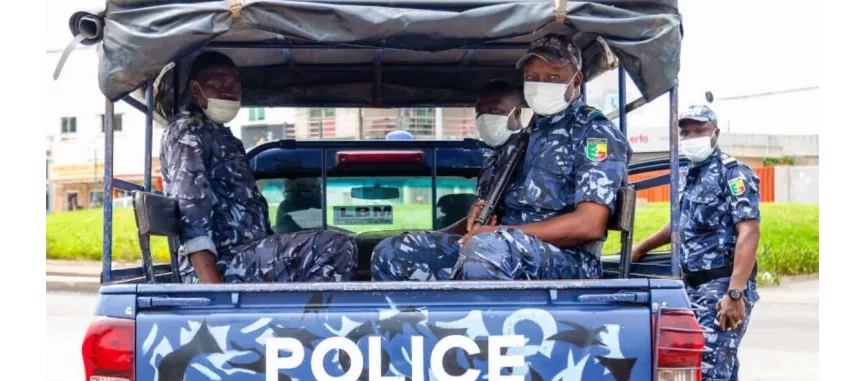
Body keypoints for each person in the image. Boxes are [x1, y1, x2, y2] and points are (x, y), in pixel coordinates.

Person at [372, 35, 631, 281]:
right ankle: (413, 325)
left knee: (486, 249)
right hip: (501, 247)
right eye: (533, 78)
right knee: (394, 250)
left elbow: (589, 225)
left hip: (568, 260)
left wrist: (499, 233)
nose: (542, 85)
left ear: (575, 81)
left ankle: (477, 327)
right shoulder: (521, 141)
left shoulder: (594, 132)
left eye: (553, 77)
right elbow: (489, 218)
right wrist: (480, 218)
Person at [632, 105, 761, 381]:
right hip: (697, 287)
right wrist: (641, 247)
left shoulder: (733, 173)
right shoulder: (690, 175)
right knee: (726, 373)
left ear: (716, 132)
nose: (691, 137)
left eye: (698, 129)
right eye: (685, 131)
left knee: (710, 379)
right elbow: (679, 224)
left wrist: (735, 294)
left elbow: (749, 232)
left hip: (723, 287)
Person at [160, 52, 357, 284]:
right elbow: (191, 213)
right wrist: (214, 292)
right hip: (222, 265)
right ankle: (312, 319)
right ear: (195, 90)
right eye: (217, 84)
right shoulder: (188, 132)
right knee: (334, 245)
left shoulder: (223, 137)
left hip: (246, 257)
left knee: (335, 242)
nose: (228, 91)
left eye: (234, 85)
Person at [369, 80, 525, 280]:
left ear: (517, 113)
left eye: (495, 111)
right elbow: (479, 219)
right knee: (392, 249)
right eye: (480, 113)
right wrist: (434, 235)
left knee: (393, 251)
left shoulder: (530, 153)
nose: (486, 119)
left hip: (507, 252)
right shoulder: (493, 160)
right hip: (481, 244)